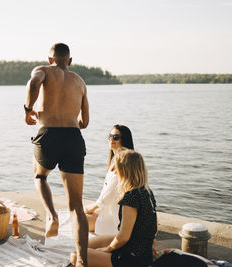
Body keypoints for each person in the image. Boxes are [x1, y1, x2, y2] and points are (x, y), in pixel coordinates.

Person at [24, 43, 89, 267]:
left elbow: (33, 83)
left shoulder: (43, 70)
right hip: (73, 137)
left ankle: (52, 215)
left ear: (51, 59)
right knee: (77, 206)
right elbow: (85, 122)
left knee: (40, 176)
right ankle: (82, 260)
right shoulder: (80, 82)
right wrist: (68, 119)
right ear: (69, 61)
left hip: (48, 134)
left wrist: (28, 109)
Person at [71, 150, 157, 267]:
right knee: (83, 246)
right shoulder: (146, 191)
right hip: (141, 249)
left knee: (76, 256)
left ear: (124, 170)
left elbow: (124, 237)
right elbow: (152, 227)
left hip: (132, 257)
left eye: (117, 169)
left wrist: (107, 249)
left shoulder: (131, 197)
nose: (115, 172)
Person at [84, 125, 134, 235]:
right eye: (110, 136)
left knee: (78, 219)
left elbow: (109, 194)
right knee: (77, 213)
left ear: (124, 139)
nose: (111, 139)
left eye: (116, 137)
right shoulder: (113, 160)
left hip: (114, 217)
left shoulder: (123, 162)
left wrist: (92, 208)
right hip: (109, 209)